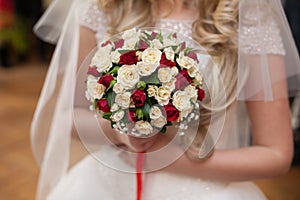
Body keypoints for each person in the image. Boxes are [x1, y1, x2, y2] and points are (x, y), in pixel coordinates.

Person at [31, 0, 300, 199]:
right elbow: (69, 117)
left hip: (207, 187)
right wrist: (120, 132)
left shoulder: (249, 13)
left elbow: (275, 154)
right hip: (108, 184)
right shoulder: (104, 7)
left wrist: (170, 158)